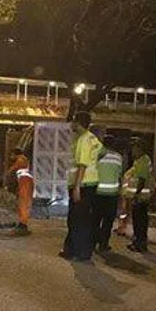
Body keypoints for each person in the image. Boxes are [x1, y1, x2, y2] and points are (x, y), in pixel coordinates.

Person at [61, 111, 102, 262]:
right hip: (89, 184)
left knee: (78, 220)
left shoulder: (83, 140)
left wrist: (77, 187)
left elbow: (82, 165)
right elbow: (102, 152)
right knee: (79, 219)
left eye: (73, 121)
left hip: (82, 185)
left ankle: (81, 252)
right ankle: (72, 249)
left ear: (78, 123)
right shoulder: (92, 138)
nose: (71, 124)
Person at [93, 135, 124, 252]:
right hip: (112, 194)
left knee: (95, 219)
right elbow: (119, 175)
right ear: (113, 145)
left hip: (98, 192)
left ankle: (93, 241)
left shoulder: (97, 155)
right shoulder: (118, 157)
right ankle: (104, 243)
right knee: (108, 221)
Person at [127, 140, 154, 253]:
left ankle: (139, 243)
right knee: (140, 221)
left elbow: (141, 180)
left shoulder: (143, 161)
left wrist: (136, 195)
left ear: (140, 149)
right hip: (142, 196)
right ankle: (138, 242)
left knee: (139, 222)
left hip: (141, 197)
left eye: (134, 149)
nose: (132, 151)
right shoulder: (142, 160)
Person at [6, 148, 33, 236]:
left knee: (23, 203)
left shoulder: (21, 159)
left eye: (11, 155)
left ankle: (22, 224)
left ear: (15, 154)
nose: (11, 157)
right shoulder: (23, 160)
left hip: (24, 183)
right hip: (24, 183)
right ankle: (22, 223)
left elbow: (14, 169)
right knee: (23, 203)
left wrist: (9, 171)